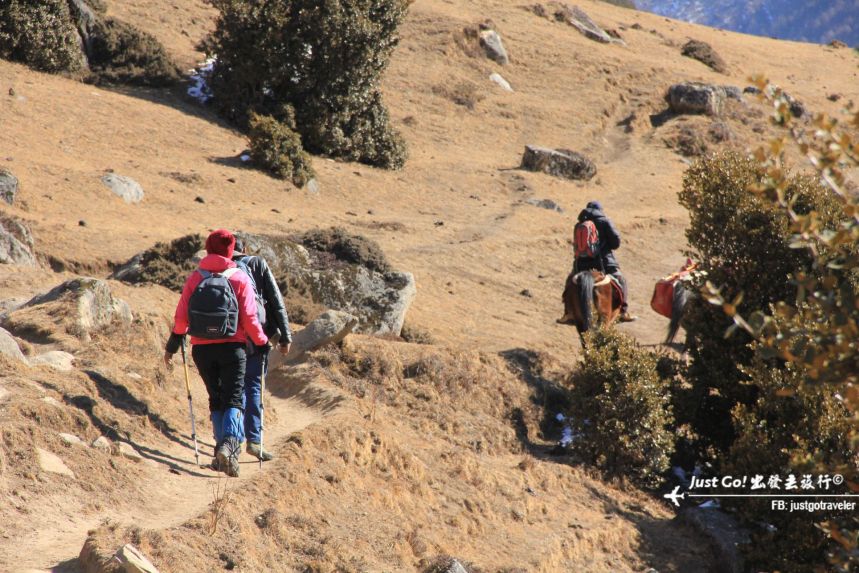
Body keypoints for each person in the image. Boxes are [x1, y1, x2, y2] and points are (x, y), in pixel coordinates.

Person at [163, 229, 268, 477]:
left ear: (208, 249)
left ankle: (221, 452)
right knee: (234, 398)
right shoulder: (239, 277)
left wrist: (173, 345)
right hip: (233, 347)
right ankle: (229, 445)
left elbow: (181, 317)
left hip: (202, 349)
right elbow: (250, 318)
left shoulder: (195, 277)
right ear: (231, 251)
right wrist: (262, 343)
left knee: (216, 399)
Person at [232, 237, 293, 461]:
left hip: (228, 338)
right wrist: (285, 336)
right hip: (256, 336)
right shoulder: (257, 264)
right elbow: (276, 301)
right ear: (245, 249)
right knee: (254, 386)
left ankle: (232, 439)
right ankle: (254, 441)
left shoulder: (218, 268)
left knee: (234, 389)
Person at [574, 200, 637, 322]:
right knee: (621, 280)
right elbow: (615, 243)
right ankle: (623, 312)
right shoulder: (605, 221)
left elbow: (576, 247)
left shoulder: (579, 225)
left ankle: (568, 313)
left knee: (570, 283)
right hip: (604, 264)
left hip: (581, 265)